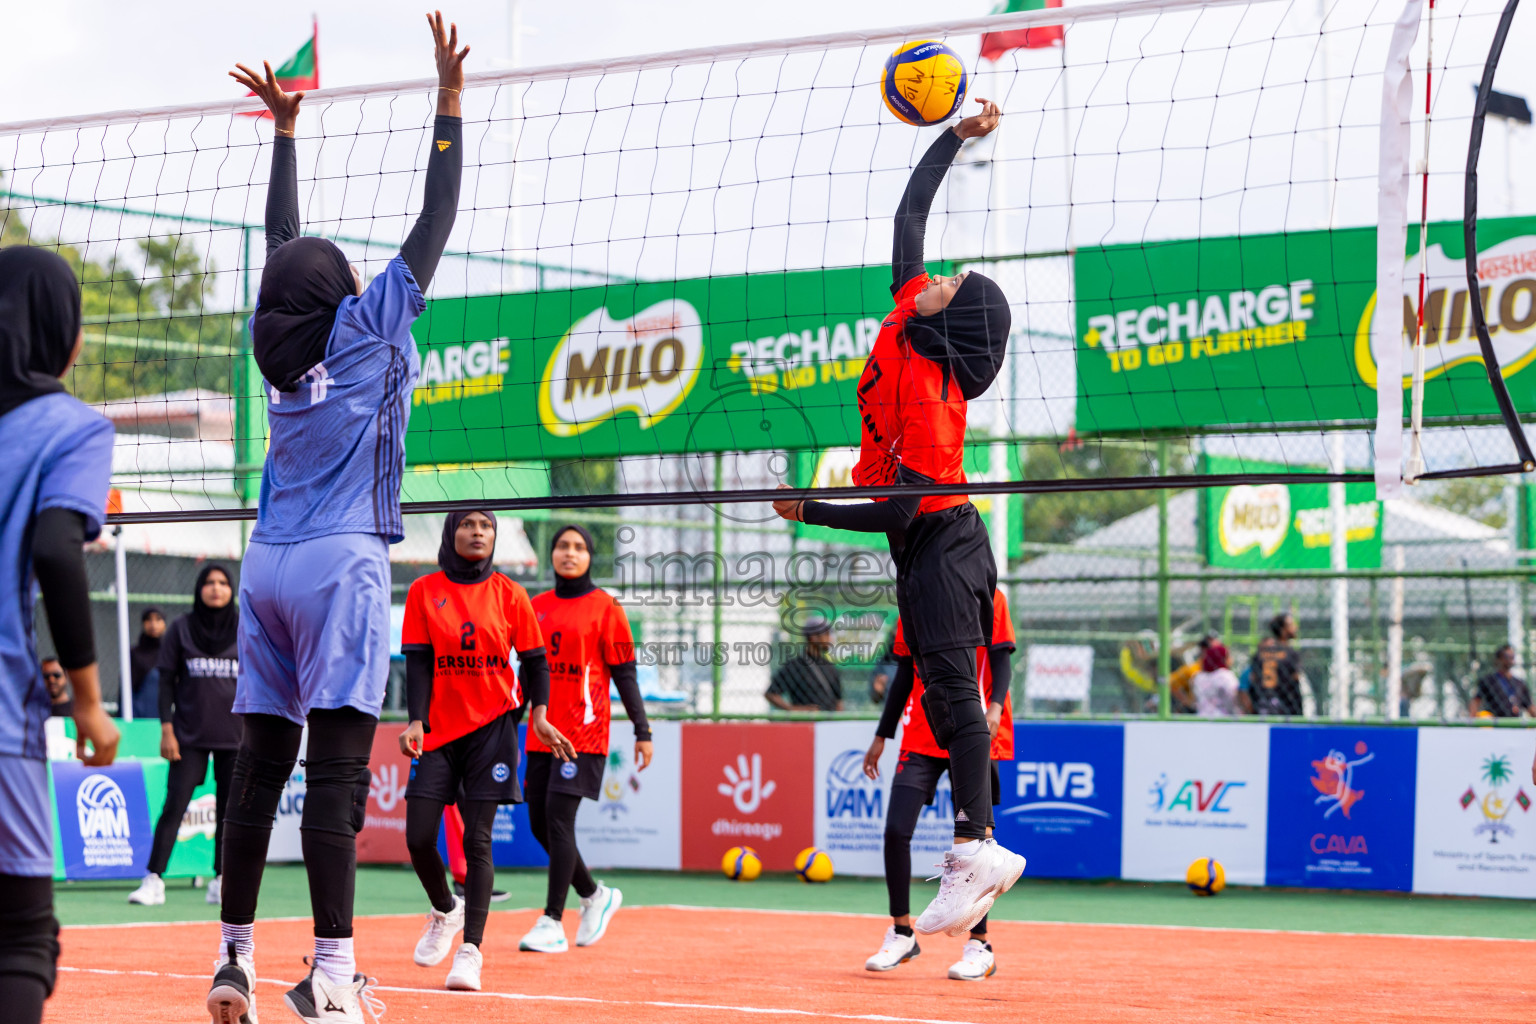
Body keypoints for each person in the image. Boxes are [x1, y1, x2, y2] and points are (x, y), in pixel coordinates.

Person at [210, 16, 467, 1024]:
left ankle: (232, 960)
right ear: (345, 295)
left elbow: (283, 250)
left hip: (266, 562)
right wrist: (448, 104)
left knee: (261, 769)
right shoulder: (366, 329)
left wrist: (283, 135)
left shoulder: (276, 339)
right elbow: (433, 224)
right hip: (339, 564)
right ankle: (328, 972)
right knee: (339, 772)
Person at [772, 99, 1024, 938]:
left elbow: (898, 508)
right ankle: (976, 848)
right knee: (951, 697)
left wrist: (811, 509)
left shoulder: (929, 394)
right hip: (925, 549)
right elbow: (908, 213)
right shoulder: (909, 314)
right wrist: (953, 135)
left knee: (957, 694)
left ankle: (980, 848)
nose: (941, 275)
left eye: (954, 285)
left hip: (942, 541)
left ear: (952, 317)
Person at [0, 244, 121, 1024]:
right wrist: (88, 700)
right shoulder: (72, 428)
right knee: (20, 940)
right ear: (64, 336)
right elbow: (53, 549)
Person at [399, 511, 549, 991]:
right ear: (451, 533)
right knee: (419, 837)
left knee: (477, 841)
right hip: (439, 730)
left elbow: (535, 661)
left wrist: (537, 714)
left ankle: (471, 951)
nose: (478, 532)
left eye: (486, 525)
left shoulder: (510, 593)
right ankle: (445, 908)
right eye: (468, 524)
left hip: (492, 730)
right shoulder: (424, 590)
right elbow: (419, 663)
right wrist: (415, 719)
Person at [863, 587, 1015, 981]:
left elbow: (1001, 660)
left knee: (975, 843)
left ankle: (979, 945)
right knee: (896, 830)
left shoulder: (988, 595)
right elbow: (903, 674)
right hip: (920, 734)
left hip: (971, 732)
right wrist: (882, 735)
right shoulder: (912, 597)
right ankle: (901, 932)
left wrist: (994, 708)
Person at [520, 524, 652, 954]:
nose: (570, 553)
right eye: (562, 546)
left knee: (558, 819)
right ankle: (594, 895)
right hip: (542, 732)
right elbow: (526, 674)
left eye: (579, 547)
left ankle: (552, 921)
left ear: (591, 556)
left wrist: (642, 730)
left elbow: (625, 673)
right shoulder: (535, 607)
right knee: (539, 823)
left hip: (583, 733)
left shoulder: (605, 606)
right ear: (552, 554)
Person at [129, 565, 241, 908]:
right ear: (198, 588)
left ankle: (221, 879)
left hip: (235, 735)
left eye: (223, 583)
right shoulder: (180, 628)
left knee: (229, 810)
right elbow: (165, 683)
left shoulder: (245, 626)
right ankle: (154, 879)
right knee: (174, 804)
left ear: (231, 589)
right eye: (209, 582)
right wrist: (167, 729)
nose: (216, 588)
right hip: (188, 735)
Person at [766, 618, 844, 712]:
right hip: (804, 724)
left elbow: (839, 702)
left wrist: (837, 721)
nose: (830, 639)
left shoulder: (830, 667)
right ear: (813, 637)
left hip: (828, 724)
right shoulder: (795, 666)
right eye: (826, 634)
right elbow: (771, 694)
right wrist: (794, 709)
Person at [1244, 614, 1304, 716]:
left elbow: (1253, 677)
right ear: (1283, 630)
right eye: (1291, 624)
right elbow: (1296, 677)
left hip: (1262, 704)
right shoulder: (1290, 653)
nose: (1295, 627)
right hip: (1286, 706)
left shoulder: (1260, 654)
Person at [1471, 644, 1534, 718]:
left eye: (1512, 657)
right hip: (1494, 723)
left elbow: (1530, 707)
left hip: (1515, 723)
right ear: (1499, 659)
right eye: (1507, 656)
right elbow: (1476, 702)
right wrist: (1472, 722)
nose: (1510, 659)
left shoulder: (1519, 683)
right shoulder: (1489, 680)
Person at [130, 608, 166, 720]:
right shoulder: (135, 653)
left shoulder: (169, 653)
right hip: (138, 715)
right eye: (149, 620)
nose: (153, 624)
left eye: (158, 619)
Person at [1190, 640, 1239, 717]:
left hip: (1202, 717)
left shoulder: (1199, 677)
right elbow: (1234, 699)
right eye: (1228, 656)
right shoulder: (1225, 675)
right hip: (1223, 718)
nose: (1231, 659)